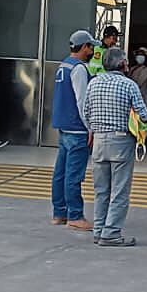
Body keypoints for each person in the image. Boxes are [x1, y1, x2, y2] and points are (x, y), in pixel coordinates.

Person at [82, 47, 147, 247]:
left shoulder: (93, 83)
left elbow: (86, 113)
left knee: (101, 190)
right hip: (121, 141)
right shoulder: (128, 85)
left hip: (99, 141)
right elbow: (143, 113)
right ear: (122, 64)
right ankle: (111, 232)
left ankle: (99, 230)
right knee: (119, 190)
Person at [51, 30, 98, 231]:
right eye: (90, 46)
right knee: (74, 175)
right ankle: (75, 215)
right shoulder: (78, 69)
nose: (92, 50)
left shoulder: (64, 65)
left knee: (60, 173)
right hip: (77, 129)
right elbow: (82, 100)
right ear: (84, 46)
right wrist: (89, 127)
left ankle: (59, 213)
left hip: (63, 126)